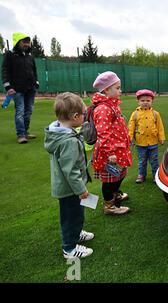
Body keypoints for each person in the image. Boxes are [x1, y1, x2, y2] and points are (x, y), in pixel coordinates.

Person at [44, 92, 94, 259]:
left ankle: (76, 233)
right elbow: (70, 171)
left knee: (76, 214)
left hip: (70, 187)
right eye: (83, 114)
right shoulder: (68, 141)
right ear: (75, 116)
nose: (85, 117)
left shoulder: (61, 132)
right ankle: (69, 248)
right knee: (70, 217)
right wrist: (81, 190)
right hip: (70, 189)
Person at [91, 71, 132, 215]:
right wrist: (110, 152)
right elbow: (103, 134)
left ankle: (116, 194)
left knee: (120, 174)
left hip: (118, 149)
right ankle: (109, 205)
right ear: (107, 89)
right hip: (110, 152)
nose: (120, 91)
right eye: (118, 88)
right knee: (109, 180)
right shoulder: (103, 108)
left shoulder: (112, 105)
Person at [1, 32, 39, 144]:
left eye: (28, 42)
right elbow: (5, 71)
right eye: (24, 42)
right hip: (16, 89)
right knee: (20, 111)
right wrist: (8, 87)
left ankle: (26, 132)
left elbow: (34, 71)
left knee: (29, 111)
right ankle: (21, 135)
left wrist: (36, 82)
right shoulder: (9, 54)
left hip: (30, 88)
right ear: (18, 42)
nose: (26, 44)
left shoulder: (30, 56)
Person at [128, 89, 165, 184]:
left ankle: (155, 176)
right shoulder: (135, 114)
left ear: (152, 101)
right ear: (138, 101)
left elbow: (160, 126)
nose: (145, 103)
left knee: (154, 161)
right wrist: (129, 138)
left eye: (148, 101)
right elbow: (131, 127)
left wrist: (161, 137)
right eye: (142, 100)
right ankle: (141, 175)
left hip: (153, 142)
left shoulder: (155, 114)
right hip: (141, 143)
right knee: (142, 160)